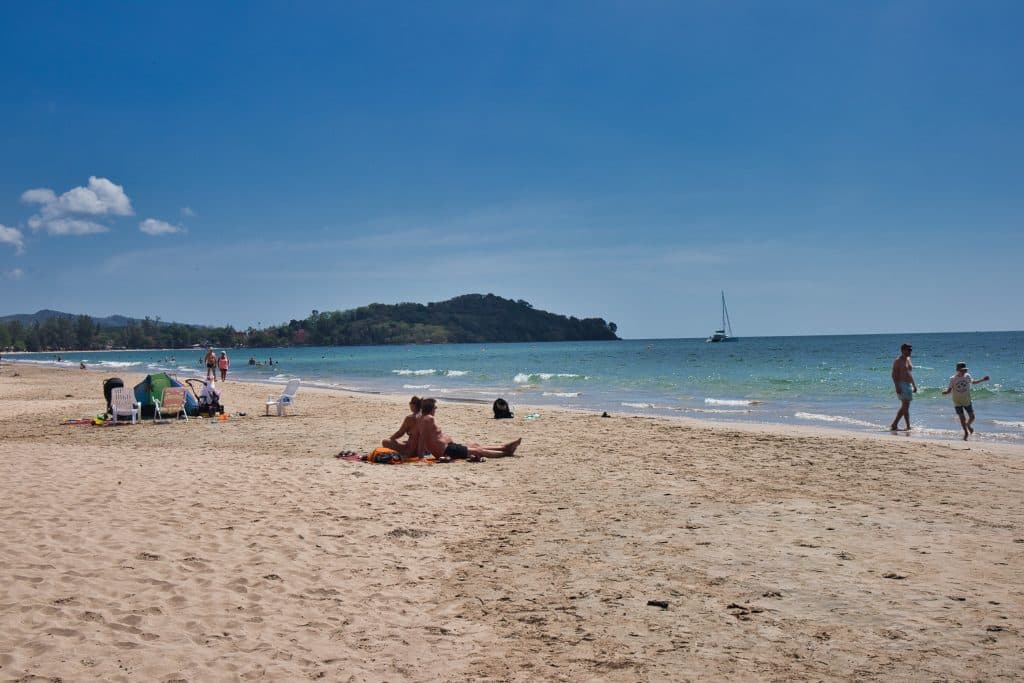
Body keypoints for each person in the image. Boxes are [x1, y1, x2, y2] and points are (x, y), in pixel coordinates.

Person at [413, 397, 521, 461]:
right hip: (446, 451)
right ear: (431, 408)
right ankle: (506, 453)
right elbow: (422, 438)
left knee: (475, 445)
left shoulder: (423, 419)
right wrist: (421, 457)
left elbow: (422, 437)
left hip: (449, 448)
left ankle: (503, 447)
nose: (436, 409)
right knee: (478, 451)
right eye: (435, 407)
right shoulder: (428, 419)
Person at [941, 362, 990, 441]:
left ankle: (968, 425)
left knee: (972, 417)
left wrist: (982, 379)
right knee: (962, 418)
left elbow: (973, 382)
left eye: (965, 370)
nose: (964, 372)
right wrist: (945, 392)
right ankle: (966, 433)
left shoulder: (967, 376)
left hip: (967, 400)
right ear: (957, 370)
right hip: (957, 401)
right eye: (962, 370)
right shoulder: (953, 379)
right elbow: (949, 390)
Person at [889, 342, 917, 431]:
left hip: (908, 385)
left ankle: (907, 425)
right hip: (901, 384)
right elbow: (893, 375)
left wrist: (914, 385)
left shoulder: (908, 359)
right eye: (909, 349)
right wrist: (897, 386)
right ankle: (895, 424)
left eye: (911, 350)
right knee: (905, 406)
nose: (910, 351)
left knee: (905, 406)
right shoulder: (898, 360)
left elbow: (909, 373)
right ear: (903, 350)